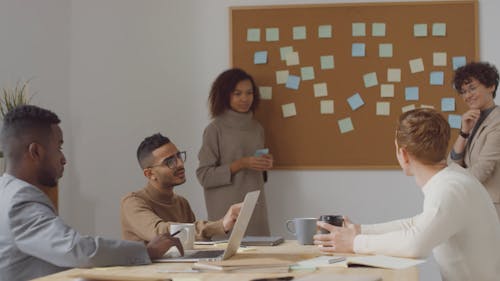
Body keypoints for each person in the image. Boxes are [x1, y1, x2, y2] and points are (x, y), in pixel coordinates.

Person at [314, 109, 500, 281]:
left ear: (403, 154)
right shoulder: (453, 179)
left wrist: (354, 242)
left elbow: (415, 245)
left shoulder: (449, 189)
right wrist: (360, 230)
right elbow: (416, 225)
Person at [0, 105, 182, 281]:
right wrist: (147, 251)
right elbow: (76, 249)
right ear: (36, 152)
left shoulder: (7, 191)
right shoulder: (20, 201)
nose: (63, 159)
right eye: (59, 148)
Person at [121, 133, 241, 242]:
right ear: (150, 174)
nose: (180, 163)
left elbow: (194, 242)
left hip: (182, 266)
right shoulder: (133, 202)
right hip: (150, 267)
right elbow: (160, 233)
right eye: (169, 162)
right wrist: (220, 225)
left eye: (179, 156)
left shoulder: (181, 203)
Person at [196, 68, 272, 236]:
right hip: (225, 213)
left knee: (262, 257)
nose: (245, 98)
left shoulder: (257, 128)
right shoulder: (214, 129)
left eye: (249, 93)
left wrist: (264, 164)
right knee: (230, 258)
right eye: (237, 94)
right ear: (225, 95)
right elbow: (204, 176)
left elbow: (257, 172)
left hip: (255, 208)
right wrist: (241, 164)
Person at [448, 61, 500, 218]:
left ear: (491, 86)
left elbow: (483, 169)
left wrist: (449, 182)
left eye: (472, 88)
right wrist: (464, 132)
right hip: (476, 202)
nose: (467, 96)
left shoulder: (497, 122)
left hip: (493, 206)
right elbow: (453, 164)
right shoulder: (474, 120)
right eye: (463, 92)